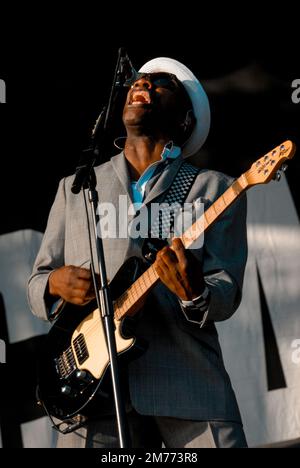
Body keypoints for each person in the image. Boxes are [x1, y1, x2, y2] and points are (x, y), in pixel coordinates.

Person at [28, 57, 248, 448]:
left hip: (187, 384)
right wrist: (55, 284)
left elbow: (226, 291)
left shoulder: (215, 190)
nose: (142, 84)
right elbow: (37, 281)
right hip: (94, 393)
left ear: (184, 120)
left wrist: (194, 293)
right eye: (138, 80)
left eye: (161, 84)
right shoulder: (76, 187)